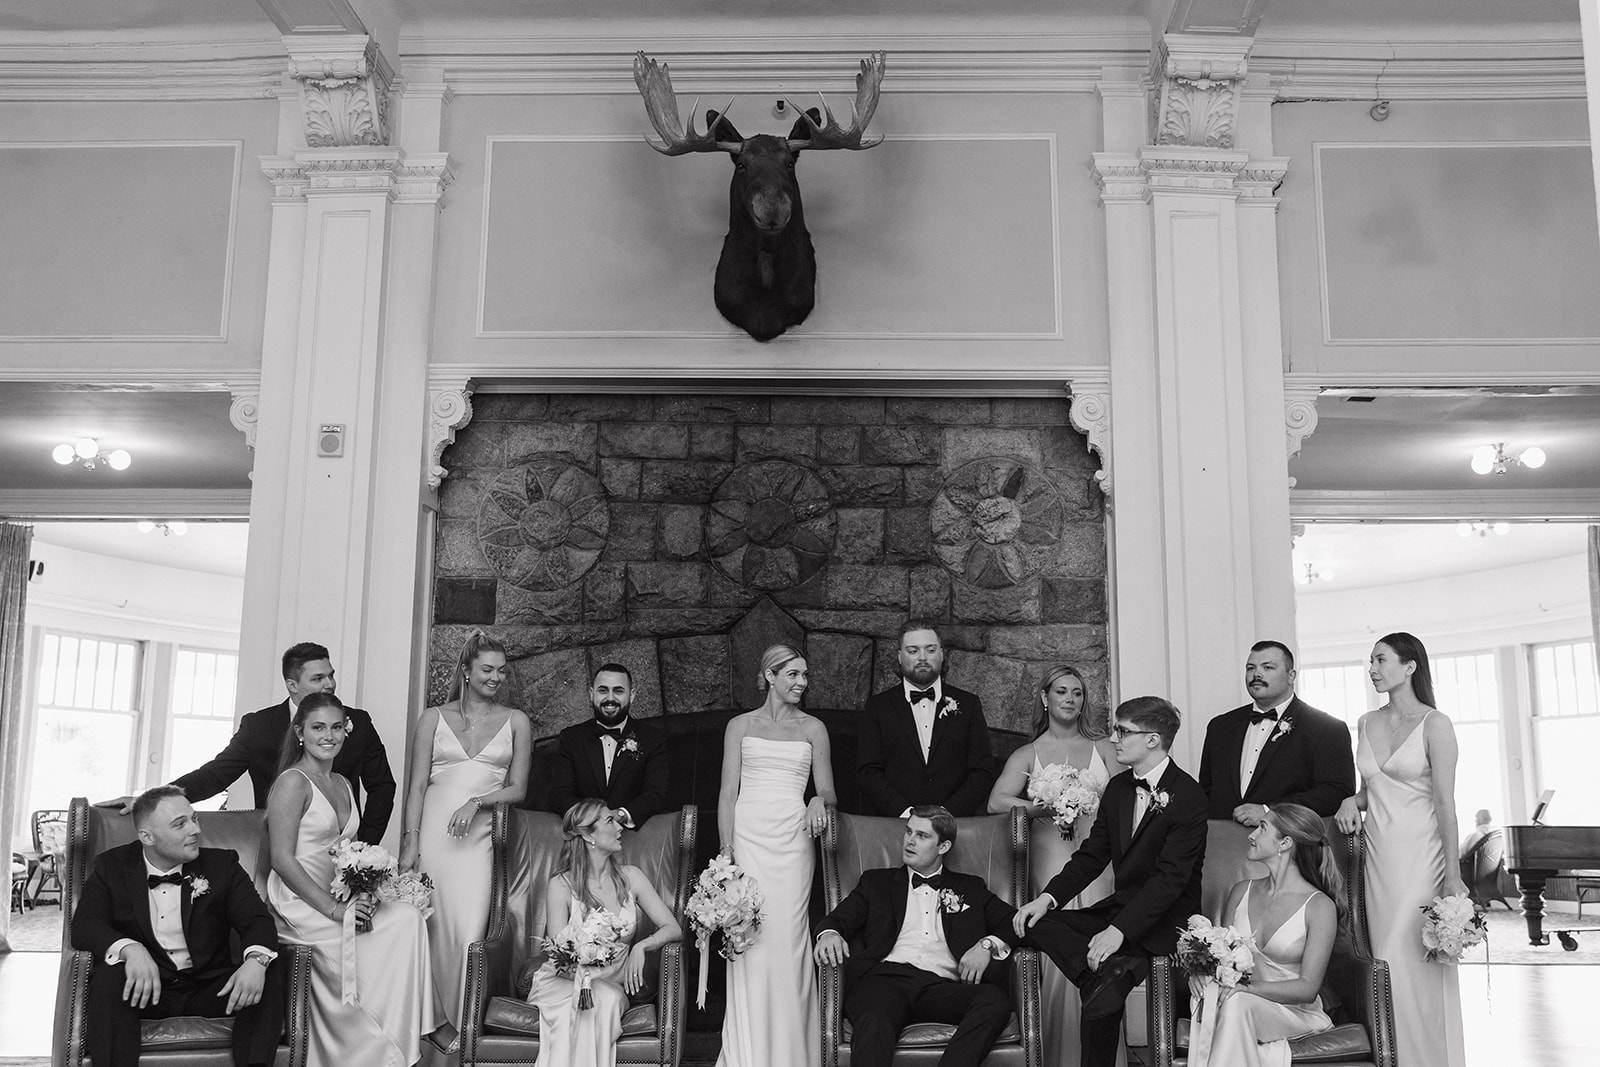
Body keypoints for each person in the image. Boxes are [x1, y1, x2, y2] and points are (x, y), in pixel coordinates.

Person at [1013, 696, 1207, 1067]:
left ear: (1152, 739)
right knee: (1033, 921)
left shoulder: (1189, 795)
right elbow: (1090, 857)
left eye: (1122, 730)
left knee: (1106, 989)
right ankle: (1097, 977)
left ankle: (1106, 976)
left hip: (1165, 918)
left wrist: (1118, 931)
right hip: (1121, 909)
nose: (1114, 738)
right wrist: (1048, 897)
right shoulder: (1118, 788)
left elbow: (1170, 881)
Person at [265, 692, 447, 1066]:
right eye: (318, 728)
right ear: (299, 732)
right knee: (387, 931)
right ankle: (387, 1042)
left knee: (407, 917)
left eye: (336, 727)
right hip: (300, 904)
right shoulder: (292, 783)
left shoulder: (345, 784)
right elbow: (282, 860)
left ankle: (418, 1026)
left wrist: (365, 893)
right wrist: (334, 909)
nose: (328, 736)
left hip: (340, 896)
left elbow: (348, 857)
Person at [71, 785, 285, 1067]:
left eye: (194, 819)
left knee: (270, 966)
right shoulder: (113, 866)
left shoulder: (223, 865)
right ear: (147, 836)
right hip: (147, 989)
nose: (195, 830)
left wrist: (256, 961)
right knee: (109, 977)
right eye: (179, 824)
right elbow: (85, 925)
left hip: (213, 988)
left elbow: (257, 920)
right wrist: (130, 949)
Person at [101, 642, 397, 845]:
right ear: (292, 685)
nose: (330, 685)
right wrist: (150, 800)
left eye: (331, 676)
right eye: (318, 678)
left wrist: (364, 847)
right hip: (275, 848)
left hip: (343, 850)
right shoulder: (260, 726)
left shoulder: (359, 722)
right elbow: (214, 775)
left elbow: (383, 786)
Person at [1336, 632, 1467, 1067]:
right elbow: (1369, 790)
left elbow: (1446, 803)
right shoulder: (1365, 722)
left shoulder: (1437, 723)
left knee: (1408, 954)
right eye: (1370, 661)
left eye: (1380, 660)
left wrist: (1453, 873)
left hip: (1422, 857)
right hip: (1377, 857)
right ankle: (1392, 1055)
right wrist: (1346, 801)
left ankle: (1426, 1057)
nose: (1372, 669)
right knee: (1381, 960)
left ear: (1410, 666)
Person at [398, 630, 530, 1049]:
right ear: (466, 671)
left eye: (502, 671)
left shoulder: (516, 721)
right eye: (487, 669)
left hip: (479, 838)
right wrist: (410, 842)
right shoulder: (432, 718)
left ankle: (465, 1022)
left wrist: (478, 801)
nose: (496, 678)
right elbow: (416, 785)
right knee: (426, 925)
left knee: (471, 926)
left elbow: (518, 788)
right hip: (434, 835)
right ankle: (429, 1023)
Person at [987, 665, 1120, 1067]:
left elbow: (1128, 799)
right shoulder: (1027, 753)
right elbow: (996, 802)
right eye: (1061, 692)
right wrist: (1040, 808)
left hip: (1099, 864)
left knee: (1101, 949)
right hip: (1050, 861)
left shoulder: (1107, 749)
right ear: (1045, 698)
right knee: (1055, 944)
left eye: (1077, 693)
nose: (1069, 699)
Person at [814, 806, 1018, 1067]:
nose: (910, 840)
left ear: (943, 846)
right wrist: (829, 934)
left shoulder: (971, 888)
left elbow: (1016, 923)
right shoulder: (876, 882)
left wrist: (987, 945)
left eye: (922, 836)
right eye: (909, 832)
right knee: (875, 1020)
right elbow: (836, 920)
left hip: (942, 987)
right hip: (884, 981)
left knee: (994, 1001)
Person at [716, 644, 836, 1067]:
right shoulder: (739, 726)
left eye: (805, 675)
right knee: (749, 936)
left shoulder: (813, 728)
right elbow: (727, 793)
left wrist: (818, 801)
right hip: (748, 836)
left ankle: (792, 1053)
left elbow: (828, 791)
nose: (802, 683)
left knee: (787, 939)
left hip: (793, 836)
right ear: (770, 675)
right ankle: (747, 1052)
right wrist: (726, 855)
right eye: (793, 675)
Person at [526, 800, 682, 1067]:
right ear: (588, 835)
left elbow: (674, 928)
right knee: (580, 1008)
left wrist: (642, 946)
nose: (619, 826)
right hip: (563, 984)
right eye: (610, 821)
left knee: (606, 1000)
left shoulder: (631, 877)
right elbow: (558, 953)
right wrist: (584, 957)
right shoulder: (561, 885)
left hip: (611, 985)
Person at [1187, 803, 1339, 1067]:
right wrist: (1200, 975)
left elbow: (1307, 988)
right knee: (1225, 1004)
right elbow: (1220, 960)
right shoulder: (1240, 891)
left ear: (1285, 843)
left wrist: (1246, 990)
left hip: (1290, 1013)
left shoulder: (1319, 906)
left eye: (1262, 827)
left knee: (1237, 1005)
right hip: (1234, 1000)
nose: (1251, 834)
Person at [1199, 641, 1355, 826]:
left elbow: (1336, 792)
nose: (1256, 674)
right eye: (1251, 668)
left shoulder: (1326, 728)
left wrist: (1270, 811)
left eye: (1268, 667)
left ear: (1291, 676)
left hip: (1288, 844)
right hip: (1222, 842)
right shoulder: (1220, 726)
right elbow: (1206, 791)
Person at [857, 619, 996, 817]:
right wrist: (905, 813)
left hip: (955, 826)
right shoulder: (878, 707)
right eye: (913, 651)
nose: (922, 657)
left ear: (941, 654)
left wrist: (946, 814)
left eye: (930, 650)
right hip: (894, 826)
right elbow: (868, 772)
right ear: (899, 656)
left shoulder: (969, 704)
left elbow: (982, 772)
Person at [547, 663, 669, 828]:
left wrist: (619, 815)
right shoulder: (571, 738)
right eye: (603, 690)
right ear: (591, 694)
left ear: (631, 695)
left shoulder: (653, 739)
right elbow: (558, 794)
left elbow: (656, 795)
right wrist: (591, 818)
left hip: (634, 839)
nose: (610, 698)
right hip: (583, 835)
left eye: (618, 691)